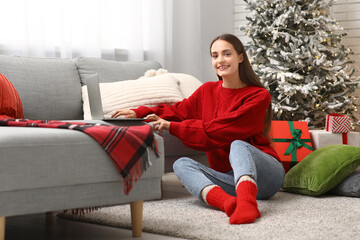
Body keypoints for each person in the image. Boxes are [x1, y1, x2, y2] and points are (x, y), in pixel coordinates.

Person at [111, 33, 285, 224]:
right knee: (181, 164)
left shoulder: (259, 95)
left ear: (240, 57)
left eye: (227, 54)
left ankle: (247, 204)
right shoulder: (207, 90)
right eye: (215, 55)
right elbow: (176, 110)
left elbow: (222, 129)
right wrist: (139, 112)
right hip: (231, 178)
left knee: (238, 144)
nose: (220, 60)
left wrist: (173, 127)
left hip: (267, 176)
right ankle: (228, 203)